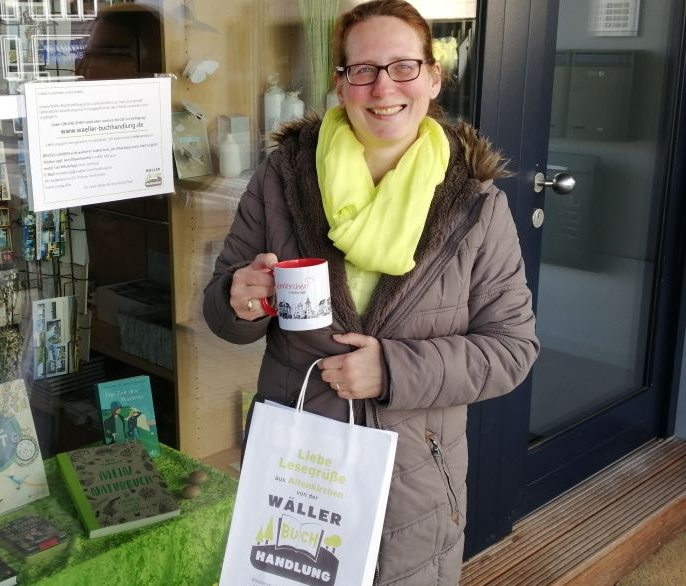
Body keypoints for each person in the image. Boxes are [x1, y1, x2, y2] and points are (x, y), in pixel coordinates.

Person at [203, 0, 540, 584]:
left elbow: (512, 350)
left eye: (404, 66)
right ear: (341, 84)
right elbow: (223, 313)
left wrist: (394, 371)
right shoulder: (282, 180)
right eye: (362, 69)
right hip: (299, 463)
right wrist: (240, 299)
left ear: (434, 78)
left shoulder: (478, 206)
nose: (383, 86)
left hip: (413, 477)